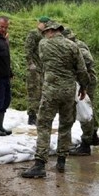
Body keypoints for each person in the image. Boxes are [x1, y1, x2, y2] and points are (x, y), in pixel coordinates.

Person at [21, 21, 89, 178]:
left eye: (46, 32)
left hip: (50, 91)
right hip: (68, 92)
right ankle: (61, 162)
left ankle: (39, 164)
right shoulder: (73, 46)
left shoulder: (43, 44)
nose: (44, 34)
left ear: (51, 31)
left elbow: (43, 62)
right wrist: (83, 88)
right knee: (66, 126)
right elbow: (82, 70)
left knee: (44, 125)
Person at [64, 28, 99, 156]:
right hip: (84, 81)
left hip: (85, 82)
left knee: (85, 112)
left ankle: (86, 144)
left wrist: (77, 68)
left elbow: (89, 61)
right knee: (89, 111)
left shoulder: (77, 46)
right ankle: (93, 135)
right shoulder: (76, 45)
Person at [25, 16, 49, 125]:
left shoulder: (45, 35)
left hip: (42, 68)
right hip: (34, 69)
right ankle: (31, 116)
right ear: (41, 23)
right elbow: (28, 49)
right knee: (33, 92)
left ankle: (38, 114)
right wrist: (30, 63)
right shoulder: (34, 33)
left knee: (40, 92)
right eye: (45, 24)